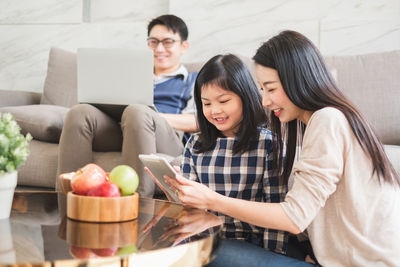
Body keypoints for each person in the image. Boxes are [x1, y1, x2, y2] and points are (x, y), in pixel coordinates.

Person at [164, 31, 400, 266]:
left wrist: (212, 200)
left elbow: (294, 217)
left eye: (271, 88)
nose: (265, 101)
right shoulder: (317, 123)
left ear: (297, 78)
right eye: (262, 89)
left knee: (207, 252)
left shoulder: (328, 120)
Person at [151, 54, 290, 254]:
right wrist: (174, 193)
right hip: (203, 241)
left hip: (248, 245)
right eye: (206, 104)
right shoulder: (196, 144)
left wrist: (272, 257)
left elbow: (277, 210)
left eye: (223, 101)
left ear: (245, 97)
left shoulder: (267, 144)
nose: (215, 110)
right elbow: (191, 212)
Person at [57, 14, 198, 198]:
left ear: (184, 46)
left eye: (168, 42)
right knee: (80, 112)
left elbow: (197, 121)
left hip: (167, 137)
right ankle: (68, 198)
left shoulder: (193, 80)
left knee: (137, 111)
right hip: (126, 127)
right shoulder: (132, 74)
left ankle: (139, 203)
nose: (159, 48)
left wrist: (151, 116)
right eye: (154, 42)